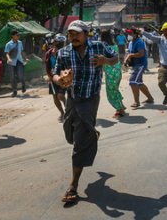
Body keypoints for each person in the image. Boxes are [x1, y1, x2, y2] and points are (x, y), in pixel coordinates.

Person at [53, 20, 119, 203]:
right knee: (70, 135)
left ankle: (73, 185)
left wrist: (105, 60)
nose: (73, 37)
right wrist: (60, 80)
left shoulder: (98, 46)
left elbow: (116, 58)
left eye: (77, 33)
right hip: (72, 99)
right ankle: (92, 133)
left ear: (86, 34)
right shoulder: (63, 52)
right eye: (70, 34)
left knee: (79, 143)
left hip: (90, 99)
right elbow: (55, 72)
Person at [124, 28, 155, 108]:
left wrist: (131, 55)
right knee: (139, 83)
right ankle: (150, 98)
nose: (129, 35)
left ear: (135, 34)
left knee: (132, 81)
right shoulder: (131, 42)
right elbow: (131, 53)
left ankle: (136, 102)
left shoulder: (139, 42)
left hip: (140, 64)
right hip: (135, 64)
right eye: (128, 33)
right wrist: (127, 59)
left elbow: (141, 54)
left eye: (131, 33)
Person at [101, 30, 126, 118]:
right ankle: (121, 106)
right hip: (118, 72)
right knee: (115, 90)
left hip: (110, 73)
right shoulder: (115, 46)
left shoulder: (103, 47)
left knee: (111, 92)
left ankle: (120, 110)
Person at [44, 34, 67, 122]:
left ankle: (68, 110)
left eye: (62, 43)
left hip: (63, 77)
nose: (60, 45)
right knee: (55, 97)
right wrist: (50, 76)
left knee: (61, 95)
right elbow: (47, 66)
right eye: (58, 42)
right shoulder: (49, 53)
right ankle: (62, 113)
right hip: (52, 77)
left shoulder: (64, 53)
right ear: (54, 42)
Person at [5, 30, 29, 97]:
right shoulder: (8, 44)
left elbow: (22, 51)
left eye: (18, 35)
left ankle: (23, 84)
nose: (18, 36)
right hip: (12, 62)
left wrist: (25, 58)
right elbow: (7, 53)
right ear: (13, 36)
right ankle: (14, 91)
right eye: (17, 35)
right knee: (12, 77)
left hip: (19, 61)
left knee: (20, 75)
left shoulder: (20, 43)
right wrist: (9, 59)